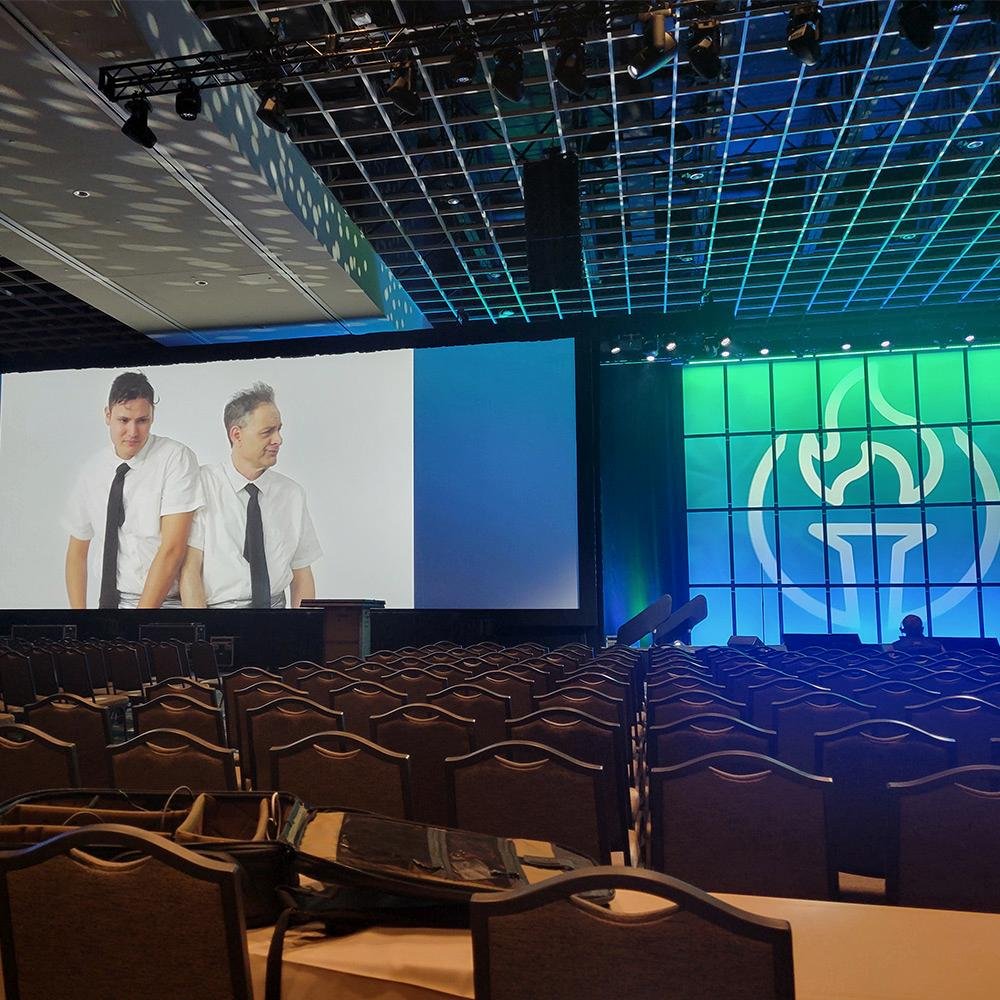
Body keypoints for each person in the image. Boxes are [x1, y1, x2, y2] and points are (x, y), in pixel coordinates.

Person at [63, 372, 203, 609]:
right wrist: (79, 620)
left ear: (152, 417)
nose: (133, 432)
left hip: (166, 605)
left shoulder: (175, 458)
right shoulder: (92, 470)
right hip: (111, 605)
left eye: (142, 420)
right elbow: (77, 551)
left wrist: (137, 622)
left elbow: (172, 549)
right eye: (124, 420)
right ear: (107, 415)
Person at [180, 383, 321, 609]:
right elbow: (190, 569)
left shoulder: (291, 494)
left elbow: (302, 574)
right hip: (218, 618)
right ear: (236, 435)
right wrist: (202, 636)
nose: (278, 440)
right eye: (267, 432)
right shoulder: (201, 484)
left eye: (279, 429)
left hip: (276, 617)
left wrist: (304, 631)